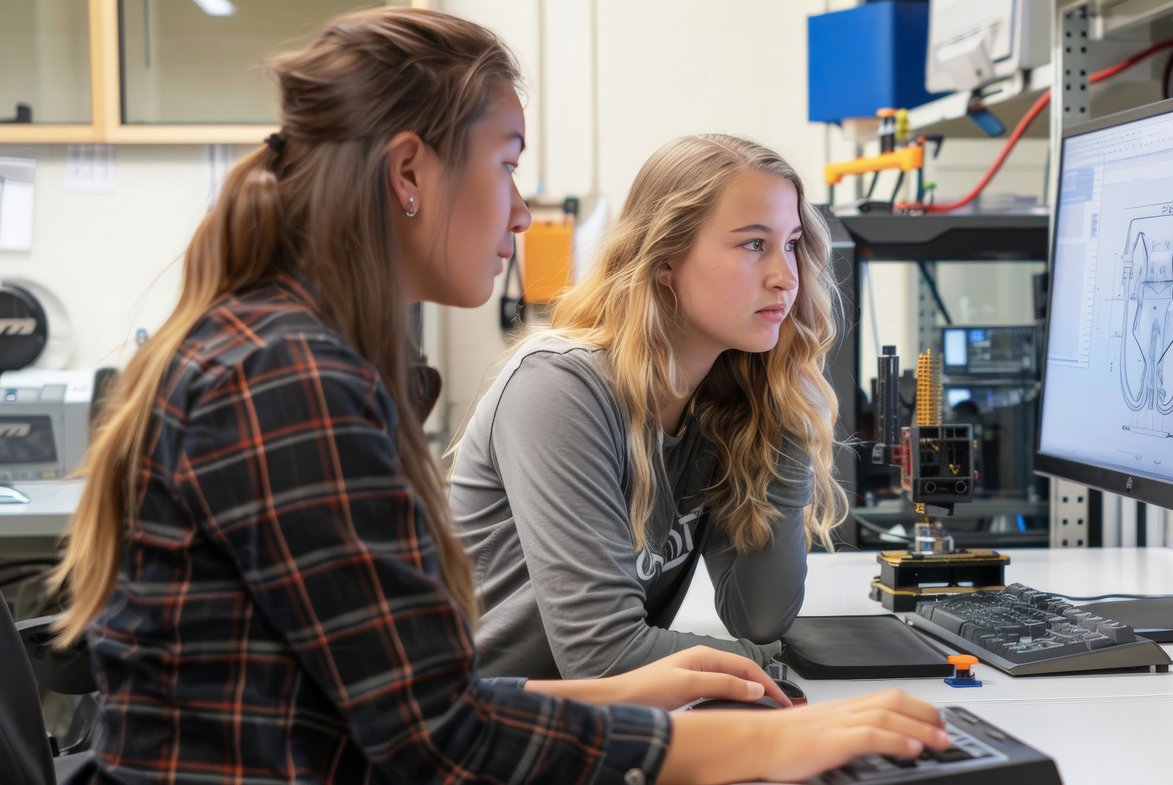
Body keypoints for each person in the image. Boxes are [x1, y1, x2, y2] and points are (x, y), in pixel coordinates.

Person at [46, 8, 947, 784]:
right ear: (409, 175)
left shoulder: (300, 355)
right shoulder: (290, 382)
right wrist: (756, 740)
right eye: (507, 164)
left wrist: (638, 693)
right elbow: (438, 741)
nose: (521, 213)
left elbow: (418, 704)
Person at [449, 133, 846, 680]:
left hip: (594, 729)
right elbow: (604, 657)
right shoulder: (560, 388)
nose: (786, 275)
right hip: (475, 737)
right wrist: (776, 670)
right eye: (754, 244)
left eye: (791, 243)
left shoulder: (724, 405)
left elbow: (759, 615)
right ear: (664, 261)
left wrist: (790, 420)